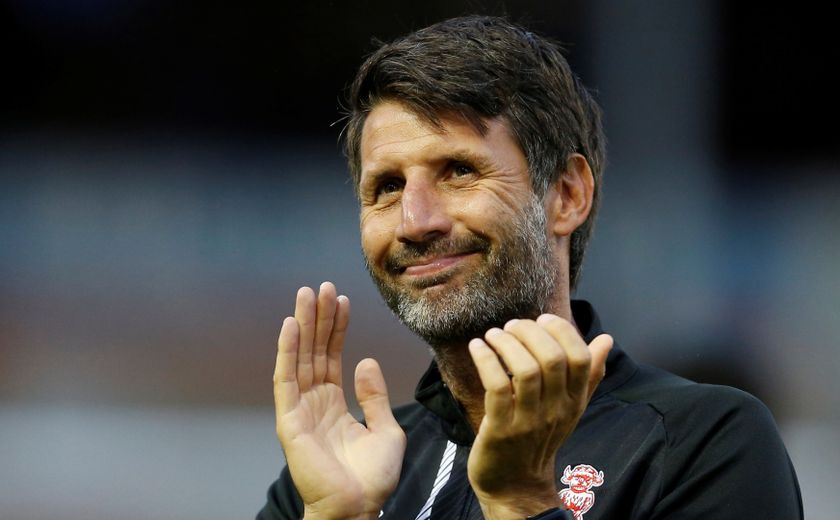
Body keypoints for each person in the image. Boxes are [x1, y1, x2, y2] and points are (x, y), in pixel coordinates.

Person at [258, 15, 803, 520]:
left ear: (567, 195)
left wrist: (520, 500)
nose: (415, 222)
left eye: (458, 171)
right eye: (388, 186)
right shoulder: (339, 473)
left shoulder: (702, 442)